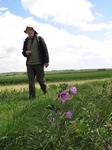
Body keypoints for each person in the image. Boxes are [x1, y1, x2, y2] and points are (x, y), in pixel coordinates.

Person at [22, 25, 49, 99]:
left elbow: (45, 50)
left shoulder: (39, 39)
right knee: (31, 81)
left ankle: (45, 91)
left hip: (39, 63)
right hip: (29, 64)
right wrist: (26, 53)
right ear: (26, 32)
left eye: (30, 30)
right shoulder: (26, 41)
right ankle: (32, 97)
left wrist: (46, 61)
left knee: (41, 79)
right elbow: (23, 52)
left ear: (33, 31)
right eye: (28, 30)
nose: (29, 31)